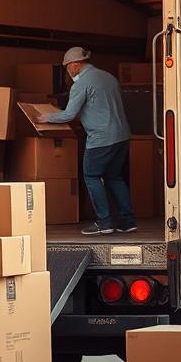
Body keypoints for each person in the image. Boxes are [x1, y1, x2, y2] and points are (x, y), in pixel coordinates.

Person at [37, 47, 135, 235]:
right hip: (121, 136)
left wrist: (46, 117)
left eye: (67, 67)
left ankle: (104, 222)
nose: (67, 71)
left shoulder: (82, 84)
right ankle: (127, 220)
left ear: (75, 65)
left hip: (101, 138)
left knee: (91, 176)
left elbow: (69, 114)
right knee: (115, 176)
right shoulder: (109, 77)